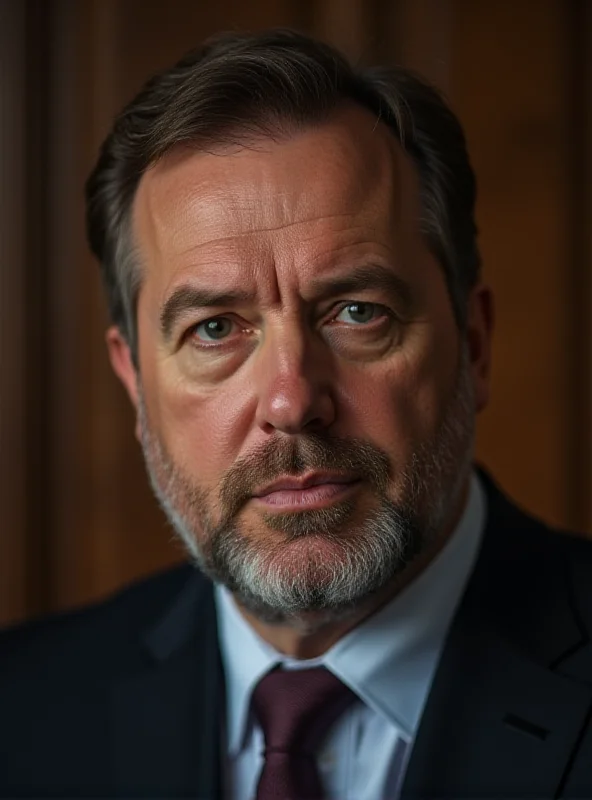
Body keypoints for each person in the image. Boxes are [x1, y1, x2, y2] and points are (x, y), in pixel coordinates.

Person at [1, 28, 591, 800]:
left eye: (356, 312)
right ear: (137, 383)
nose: (290, 401)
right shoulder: (21, 714)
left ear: (473, 345)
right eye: (214, 329)